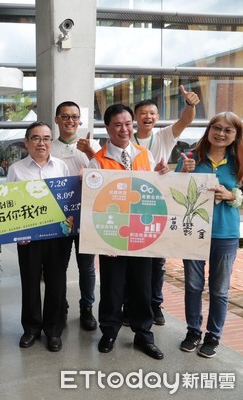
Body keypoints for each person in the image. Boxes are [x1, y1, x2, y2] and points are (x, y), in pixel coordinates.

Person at [88, 104, 169, 360]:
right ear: (108, 128)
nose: (124, 130)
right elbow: (93, 205)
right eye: (117, 125)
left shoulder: (146, 155)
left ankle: (143, 335)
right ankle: (109, 332)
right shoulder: (97, 160)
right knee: (112, 288)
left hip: (142, 237)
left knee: (142, 288)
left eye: (128, 124)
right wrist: (102, 241)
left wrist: (164, 175)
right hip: (112, 236)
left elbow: (158, 193)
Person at [126, 85, 201, 326]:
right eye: (143, 113)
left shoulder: (164, 136)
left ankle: (154, 304)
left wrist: (190, 105)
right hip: (131, 204)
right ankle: (131, 304)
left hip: (158, 204)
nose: (148, 117)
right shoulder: (127, 139)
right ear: (135, 117)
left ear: (157, 117)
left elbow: (186, 120)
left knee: (158, 260)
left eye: (152, 113)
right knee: (132, 258)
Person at [175, 111, 243, 358]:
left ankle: (214, 335)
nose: (221, 133)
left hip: (225, 235)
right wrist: (182, 172)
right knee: (193, 286)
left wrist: (232, 196)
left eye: (228, 130)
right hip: (193, 232)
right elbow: (174, 193)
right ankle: (193, 331)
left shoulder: (239, 163)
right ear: (208, 129)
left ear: (236, 136)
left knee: (220, 289)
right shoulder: (192, 157)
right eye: (216, 127)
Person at [7, 122, 72, 351]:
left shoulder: (62, 167)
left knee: (57, 282)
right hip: (29, 238)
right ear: (27, 142)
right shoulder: (16, 169)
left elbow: (68, 202)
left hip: (57, 236)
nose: (41, 143)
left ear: (51, 142)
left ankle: (54, 330)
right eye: (35, 138)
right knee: (30, 281)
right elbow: (10, 205)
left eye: (46, 138)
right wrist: (17, 234)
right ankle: (31, 329)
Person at [51, 101, 101, 331]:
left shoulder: (94, 145)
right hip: (57, 216)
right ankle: (60, 306)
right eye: (65, 116)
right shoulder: (49, 147)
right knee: (58, 267)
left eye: (74, 117)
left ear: (80, 120)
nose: (70, 121)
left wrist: (91, 155)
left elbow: (107, 175)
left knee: (87, 267)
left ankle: (87, 309)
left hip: (86, 216)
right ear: (57, 119)